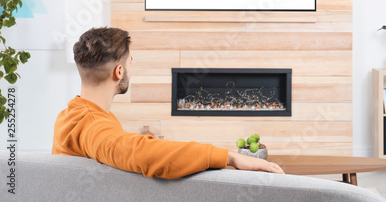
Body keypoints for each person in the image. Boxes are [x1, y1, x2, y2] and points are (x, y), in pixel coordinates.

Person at [52, 27, 284, 179]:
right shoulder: (92, 125)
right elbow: (140, 152)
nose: (132, 69)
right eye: (131, 62)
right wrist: (230, 157)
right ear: (119, 71)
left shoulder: (70, 116)